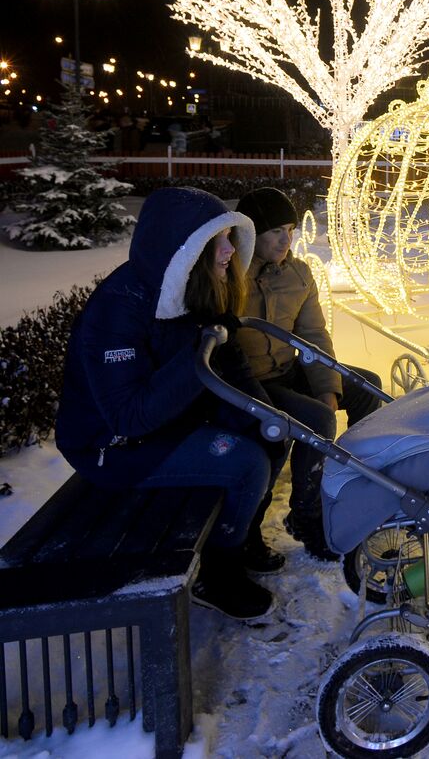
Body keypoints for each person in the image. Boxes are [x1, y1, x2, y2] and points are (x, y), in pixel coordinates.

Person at [55, 187, 290, 620]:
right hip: (112, 446)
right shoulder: (118, 310)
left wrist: (262, 414)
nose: (229, 251)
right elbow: (129, 415)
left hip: (172, 419)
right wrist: (200, 349)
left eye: (229, 238)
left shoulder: (187, 286)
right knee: (248, 464)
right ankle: (216, 571)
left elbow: (227, 357)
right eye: (216, 242)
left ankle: (241, 533)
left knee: (271, 433)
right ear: (183, 250)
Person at [234, 188, 382, 561]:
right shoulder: (229, 278)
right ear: (250, 234)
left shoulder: (297, 274)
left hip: (288, 370)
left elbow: (313, 335)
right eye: (275, 232)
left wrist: (328, 387)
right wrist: (320, 404)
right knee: (315, 418)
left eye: (291, 229)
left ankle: (360, 484)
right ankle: (306, 515)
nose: (287, 240)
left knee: (368, 388)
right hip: (250, 382)